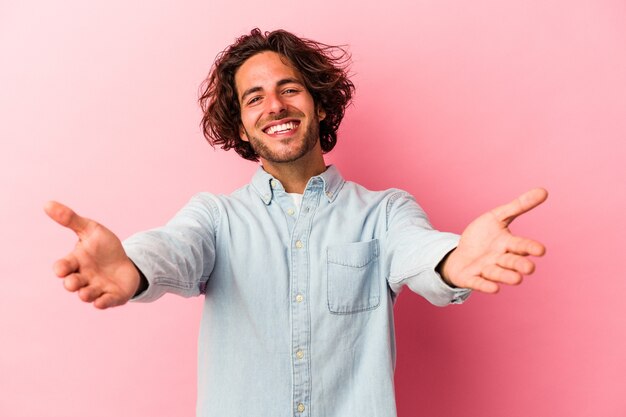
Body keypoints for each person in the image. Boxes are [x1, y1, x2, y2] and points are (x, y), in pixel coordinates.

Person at [44, 28, 547, 417]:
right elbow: (175, 248)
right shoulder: (215, 217)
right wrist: (131, 269)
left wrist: (456, 260)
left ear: (320, 103)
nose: (275, 106)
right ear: (241, 123)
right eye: (254, 97)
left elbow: (418, 252)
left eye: (290, 89)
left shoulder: (385, 212)